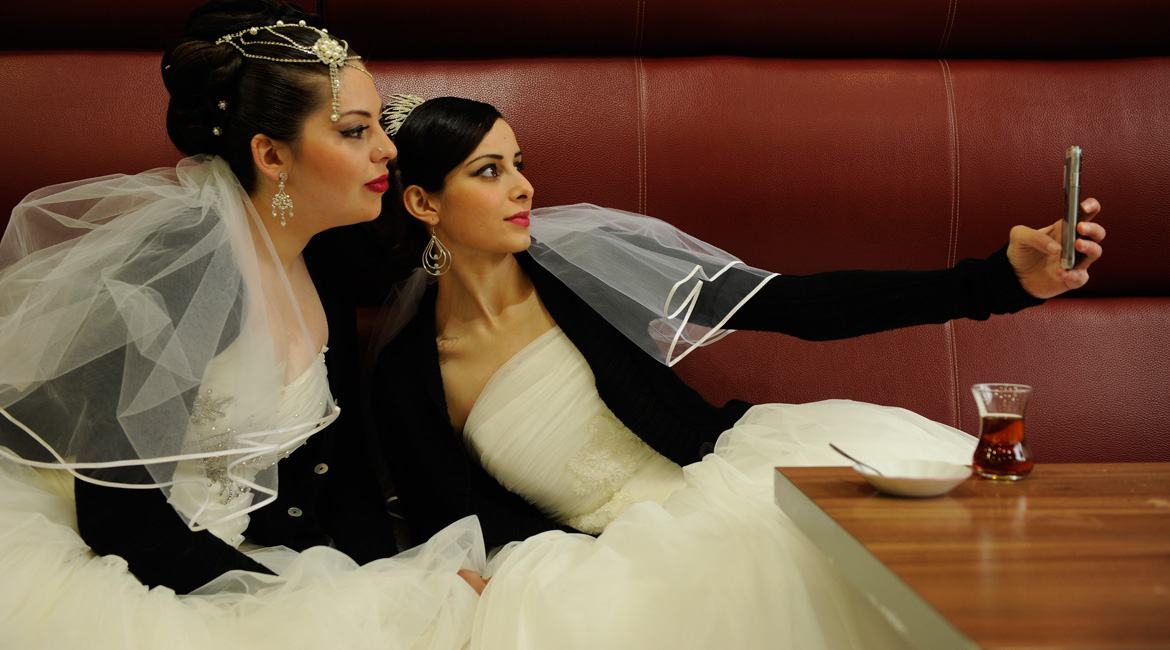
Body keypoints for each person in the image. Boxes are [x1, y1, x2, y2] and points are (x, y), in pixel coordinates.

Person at [366, 95, 1106, 647]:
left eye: (519, 164)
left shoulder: (581, 270)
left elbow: (800, 304)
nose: (524, 187)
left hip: (722, 477)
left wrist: (998, 282)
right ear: (424, 201)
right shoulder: (406, 375)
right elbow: (452, 524)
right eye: (489, 171)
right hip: (597, 559)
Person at [0, 3, 484, 647]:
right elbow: (122, 519)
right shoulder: (177, 272)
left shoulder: (319, 259)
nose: (388, 148)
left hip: (242, 556)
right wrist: (294, 603)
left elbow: (340, 471)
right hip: (131, 565)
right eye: (352, 131)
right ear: (271, 154)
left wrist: (393, 578)